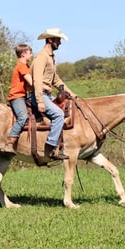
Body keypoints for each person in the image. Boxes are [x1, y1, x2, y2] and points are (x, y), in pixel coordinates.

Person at [31, 28, 77, 160]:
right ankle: (51, 148)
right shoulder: (41, 57)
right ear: (50, 40)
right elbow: (37, 80)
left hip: (46, 94)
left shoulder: (51, 57)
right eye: (58, 40)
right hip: (39, 95)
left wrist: (71, 94)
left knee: (67, 107)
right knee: (58, 114)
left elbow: (56, 80)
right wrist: (39, 101)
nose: (60, 43)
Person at [2, 44, 33, 154]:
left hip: (24, 96)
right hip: (17, 97)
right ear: (23, 54)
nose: (32, 55)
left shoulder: (27, 66)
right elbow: (31, 82)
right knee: (23, 117)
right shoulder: (21, 66)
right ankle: (9, 142)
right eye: (30, 53)